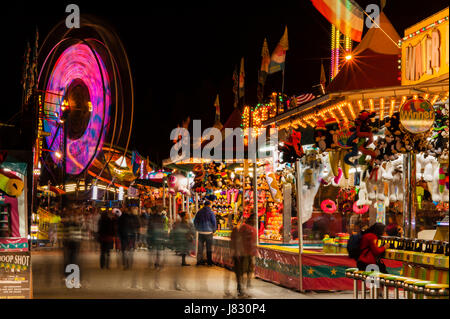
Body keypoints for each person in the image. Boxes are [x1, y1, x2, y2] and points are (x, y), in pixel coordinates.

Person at [231, 214, 257, 298]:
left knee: (246, 271)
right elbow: (238, 240)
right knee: (241, 272)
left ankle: (242, 289)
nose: (255, 221)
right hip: (243, 253)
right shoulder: (244, 228)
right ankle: (241, 289)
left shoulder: (251, 229)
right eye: (254, 219)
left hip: (248, 253)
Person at [193, 200, 217, 266]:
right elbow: (214, 222)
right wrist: (214, 230)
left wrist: (197, 228)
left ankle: (199, 261)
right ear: (209, 205)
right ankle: (209, 262)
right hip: (209, 232)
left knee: (200, 248)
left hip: (200, 232)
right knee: (209, 248)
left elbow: (195, 221)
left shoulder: (199, 212)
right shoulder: (211, 212)